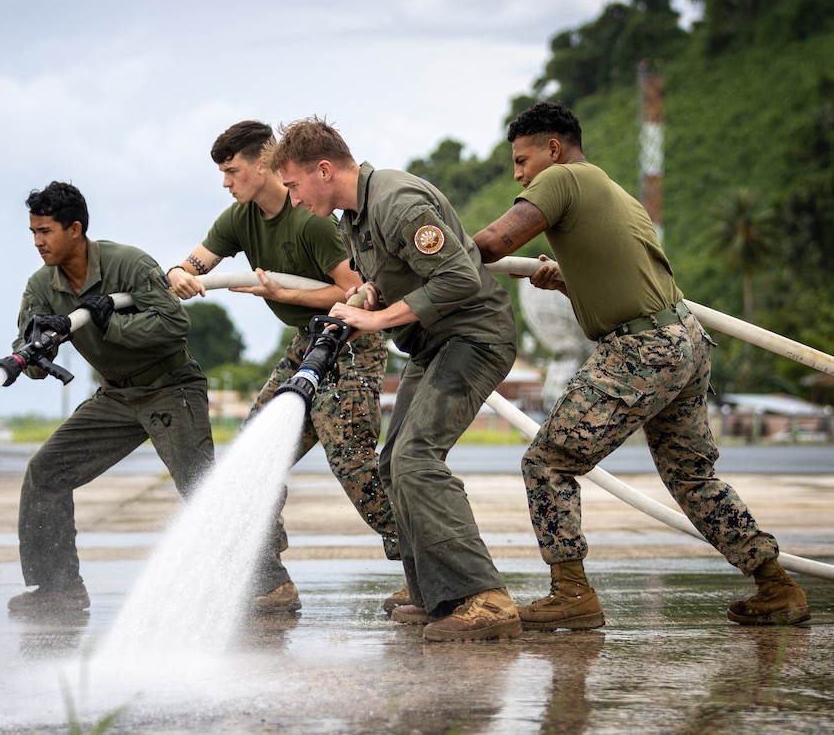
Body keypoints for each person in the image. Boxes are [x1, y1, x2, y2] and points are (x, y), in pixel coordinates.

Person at [473, 101, 810, 629]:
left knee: (548, 461)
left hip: (642, 348)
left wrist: (430, 261)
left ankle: (572, 594)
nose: (519, 174)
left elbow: (493, 242)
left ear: (553, 150)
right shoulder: (611, 190)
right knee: (692, 477)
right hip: (684, 340)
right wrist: (565, 279)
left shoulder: (561, 179)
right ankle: (777, 586)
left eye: (522, 160)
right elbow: (629, 274)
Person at [265, 117, 522, 642]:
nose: (292, 201)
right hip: (432, 345)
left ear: (323, 169)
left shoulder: (397, 201)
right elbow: (387, 279)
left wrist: (376, 321)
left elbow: (460, 275)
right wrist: (361, 300)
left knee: (415, 458)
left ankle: (485, 599)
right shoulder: (353, 218)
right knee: (392, 462)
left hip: (473, 338)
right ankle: (433, 594)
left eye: (292, 186)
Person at [166, 120, 402, 614]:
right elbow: (195, 262)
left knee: (355, 467)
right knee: (248, 462)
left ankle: (430, 572)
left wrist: (282, 292)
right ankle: (269, 582)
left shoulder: (311, 220)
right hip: (307, 342)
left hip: (350, 341)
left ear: (263, 162)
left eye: (232, 171)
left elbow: (355, 291)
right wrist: (178, 273)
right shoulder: (239, 218)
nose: (227, 183)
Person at [0, 181, 215, 615]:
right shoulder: (41, 286)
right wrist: (38, 348)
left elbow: (175, 325)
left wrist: (108, 325)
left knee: (204, 488)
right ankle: (59, 589)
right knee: (46, 473)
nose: (38, 242)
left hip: (169, 386)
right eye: (33, 233)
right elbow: (35, 364)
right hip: (116, 397)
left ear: (74, 229)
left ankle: (265, 585)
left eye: (46, 231)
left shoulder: (128, 263)